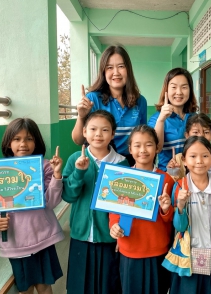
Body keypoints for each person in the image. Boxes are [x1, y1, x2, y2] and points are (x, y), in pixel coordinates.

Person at [0, 118, 64, 294]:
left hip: (43, 239)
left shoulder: (45, 167)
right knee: (25, 289)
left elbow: (51, 202)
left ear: (36, 141)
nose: (23, 144)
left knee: (44, 287)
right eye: (17, 139)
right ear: (8, 143)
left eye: (29, 138)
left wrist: (57, 175)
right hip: (16, 243)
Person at [63, 110, 129, 294]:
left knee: (108, 286)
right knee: (79, 287)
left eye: (105, 130)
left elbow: (126, 204)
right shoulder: (75, 159)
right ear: (84, 132)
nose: (98, 134)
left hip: (108, 237)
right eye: (93, 129)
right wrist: (79, 172)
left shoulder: (121, 163)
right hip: (80, 236)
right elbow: (68, 196)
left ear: (113, 134)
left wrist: (120, 230)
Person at [109, 125, 175, 294]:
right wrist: (114, 226)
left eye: (149, 144)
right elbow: (114, 212)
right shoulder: (121, 177)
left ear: (157, 148)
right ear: (130, 149)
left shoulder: (167, 179)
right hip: (129, 249)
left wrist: (167, 209)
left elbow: (171, 219)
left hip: (158, 249)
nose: (143, 150)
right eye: (137, 145)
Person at [165, 136, 211, 294]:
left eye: (205, 155)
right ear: (184, 160)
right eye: (193, 156)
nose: (199, 161)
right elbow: (180, 227)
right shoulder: (179, 187)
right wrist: (180, 206)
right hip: (187, 261)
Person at [71, 45, 147, 165]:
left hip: (130, 162)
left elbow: (142, 137)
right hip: (99, 161)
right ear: (103, 72)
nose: (116, 73)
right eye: (110, 67)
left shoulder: (140, 101)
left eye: (121, 66)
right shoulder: (92, 98)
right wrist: (81, 116)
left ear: (128, 69)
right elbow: (78, 140)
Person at [148, 67, 198, 170]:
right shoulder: (157, 118)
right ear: (166, 90)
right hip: (168, 176)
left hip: (193, 175)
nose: (179, 92)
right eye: (174, 87)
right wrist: (161, 119)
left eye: (184, 87)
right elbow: (156, 148)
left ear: (190, 90)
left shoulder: (194, 117)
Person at [166, 113, 211, 182]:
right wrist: (173, 173)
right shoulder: (178, 160)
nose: (201, 136)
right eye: (195, 132)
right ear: (187, 135)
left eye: (206, 132)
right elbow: (170, 188)